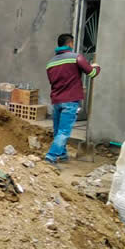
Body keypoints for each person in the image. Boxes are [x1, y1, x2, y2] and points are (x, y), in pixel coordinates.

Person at [45, 34, 101, 164]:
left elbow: (52, 81)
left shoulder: (50, 63)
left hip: (56, 101)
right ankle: (51, 156)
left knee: (58, 131)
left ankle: (63, 155)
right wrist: (96, 66)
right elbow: (92, 73)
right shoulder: (76, 58)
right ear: (70, 43)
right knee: (64, 132)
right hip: (70, 101)